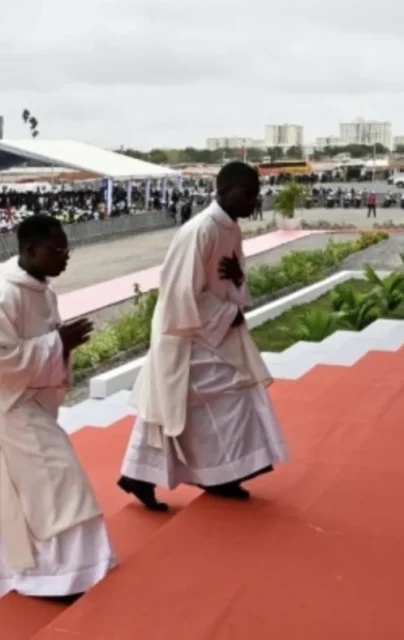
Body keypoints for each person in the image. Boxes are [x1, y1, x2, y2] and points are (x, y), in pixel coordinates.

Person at [0, 214, 115, 605]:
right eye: (58, 250)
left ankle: (22, 572)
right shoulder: (4, 297)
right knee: (60, 478)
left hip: (28, 402)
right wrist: (55, 345)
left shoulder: (41, 290)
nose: (66, 258)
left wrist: (59, 347)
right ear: (30, 250)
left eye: (68, 249)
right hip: (10, 408)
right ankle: (61, 575)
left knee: (27, 490)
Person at [122, 161, 289, 511]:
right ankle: (149, 475)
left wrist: (239, 282)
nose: (252, 201)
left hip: (211, 333)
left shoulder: (231, 228)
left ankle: (214, 475)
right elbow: (181, 293)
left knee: (217, 403)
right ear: (223, 191)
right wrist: (228, 313)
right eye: (247, 194)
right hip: (186, 336)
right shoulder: (201, 230)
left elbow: (231, 279)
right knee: (178, 406)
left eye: (256, 194)